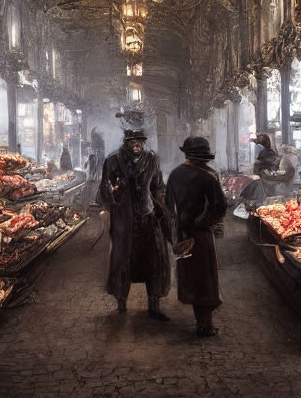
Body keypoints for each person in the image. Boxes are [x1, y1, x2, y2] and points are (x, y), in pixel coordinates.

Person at [97, 129, 171, 319]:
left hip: (148, 217)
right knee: (123, 260)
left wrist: (162, 208)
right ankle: (121, 303)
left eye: (140, 140)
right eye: (134, 141)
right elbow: (105, 186)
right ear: (126, 142)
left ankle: (154, 306)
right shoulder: (114, 160)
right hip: (124, 218)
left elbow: (158, 187)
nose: (137, 144)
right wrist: (109, 202)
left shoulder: (152, 159)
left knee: (154, 261)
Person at [165, 137, 227, 337]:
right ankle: (205, 325)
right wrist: (204, 222)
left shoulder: (175, 175)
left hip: (182, 234)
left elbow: (168, 209)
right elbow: (220, 207)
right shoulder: (209, 176)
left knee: (191, 277)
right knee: (206, 278)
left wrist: (173, 235)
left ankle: (201, 322)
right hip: (201, 235)